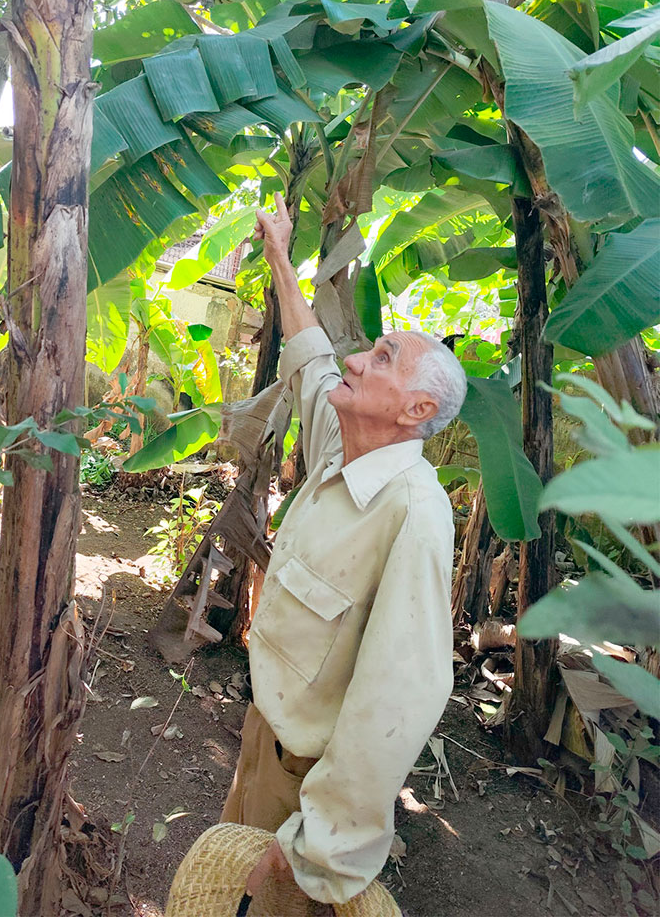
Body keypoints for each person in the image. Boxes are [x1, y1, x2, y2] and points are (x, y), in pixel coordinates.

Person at [221, 195, 467, 909]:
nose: (357, 358)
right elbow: (310, 356)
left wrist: (319, 846)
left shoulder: (414, 514)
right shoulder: (343, 440)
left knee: (272, 901)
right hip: (263, 734)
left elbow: (400, 695)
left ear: (416, 411)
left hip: (309, 780)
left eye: (383, 358)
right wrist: (277, 252)